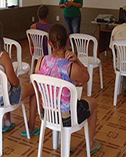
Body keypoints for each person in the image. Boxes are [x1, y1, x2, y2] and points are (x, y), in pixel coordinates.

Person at [35, 24, 100, 155]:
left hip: (47, 112)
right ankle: (91, 144)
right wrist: (77, 61)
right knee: (92, 102)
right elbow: (86, 77)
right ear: (68, 40)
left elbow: (38, 82)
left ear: (49, 43)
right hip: (66, 117)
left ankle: (59, 142)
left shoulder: (41, 61)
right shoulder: (71, 67)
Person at [0, 20, 39, 136]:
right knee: (34, 88)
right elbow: (15, 82)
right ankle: (31, 127)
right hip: (2, 100)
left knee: (3, 86)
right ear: (0, 36)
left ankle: (7, 123)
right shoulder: (2, 56)